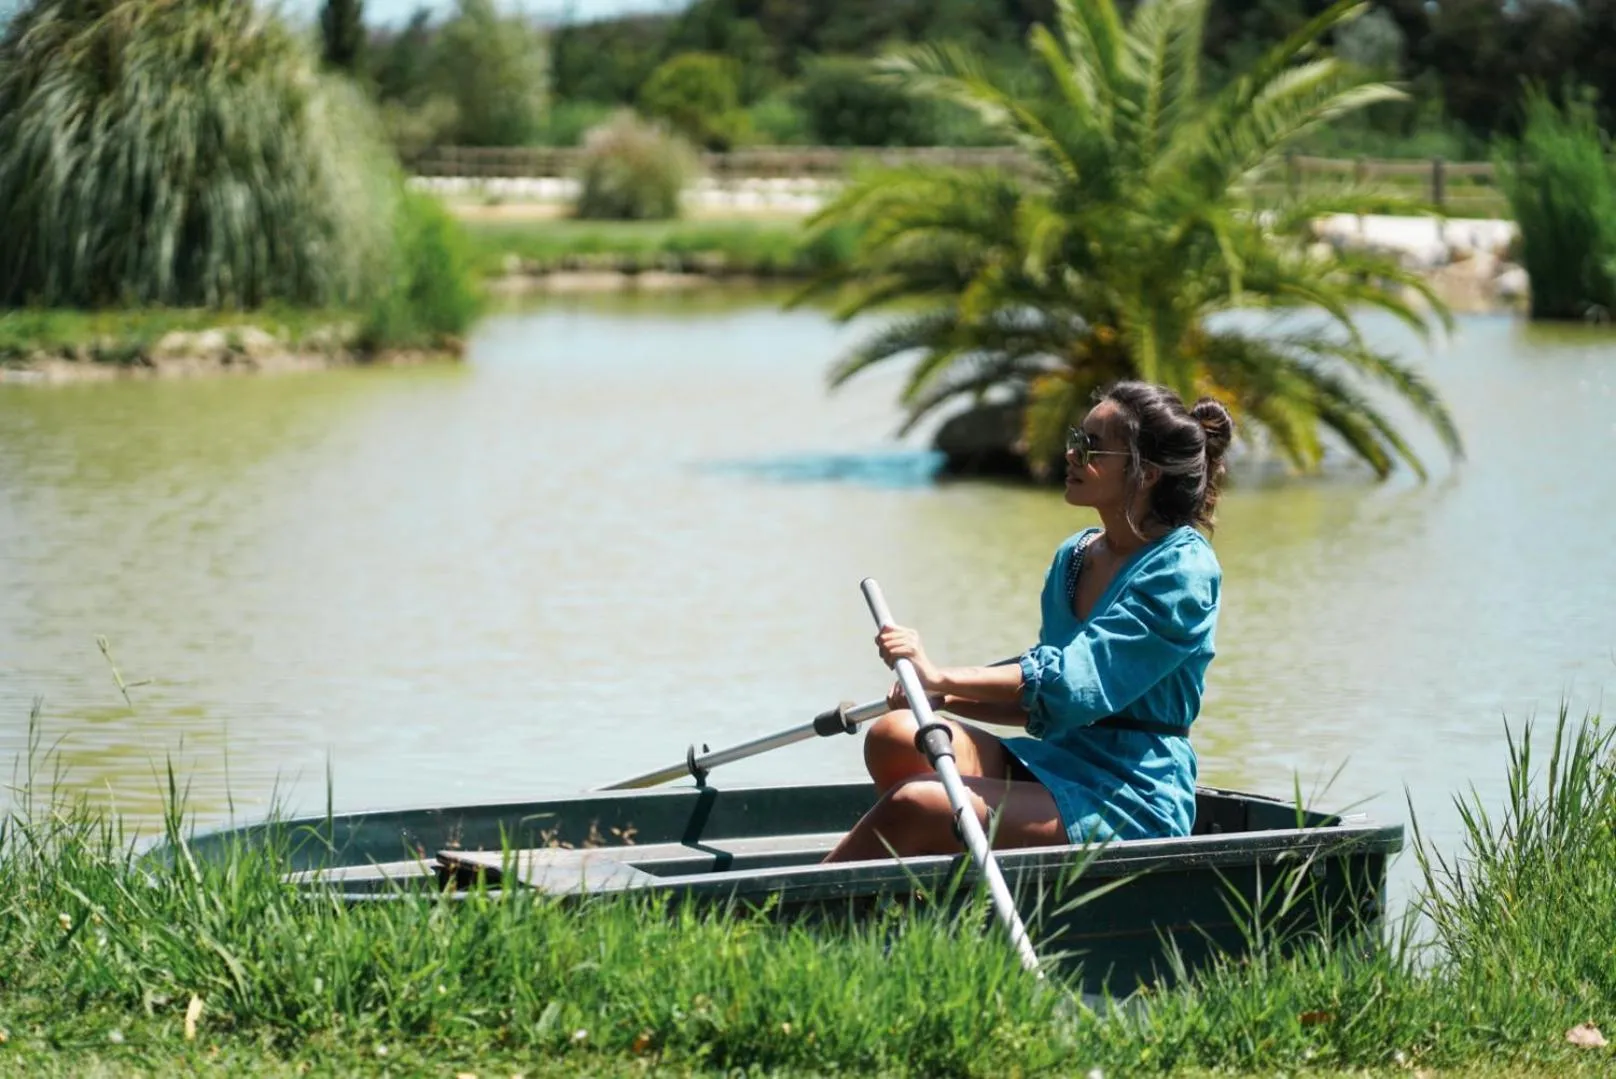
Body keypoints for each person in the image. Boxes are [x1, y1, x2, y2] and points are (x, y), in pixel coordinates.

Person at [823, 381, 1234, 863]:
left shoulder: (1183, 570)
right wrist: (942, 695)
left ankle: (784, 914)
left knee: (917, 803)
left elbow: (1071, 684)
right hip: (1057, 761)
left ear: (1147, 474)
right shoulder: (1076, 556)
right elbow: (1044, 704)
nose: (1071, 454)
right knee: (895, 733)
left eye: (1089, 447)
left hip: (1130, 795)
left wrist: (942, 677)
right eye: (1074, 438)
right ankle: (915, 897)